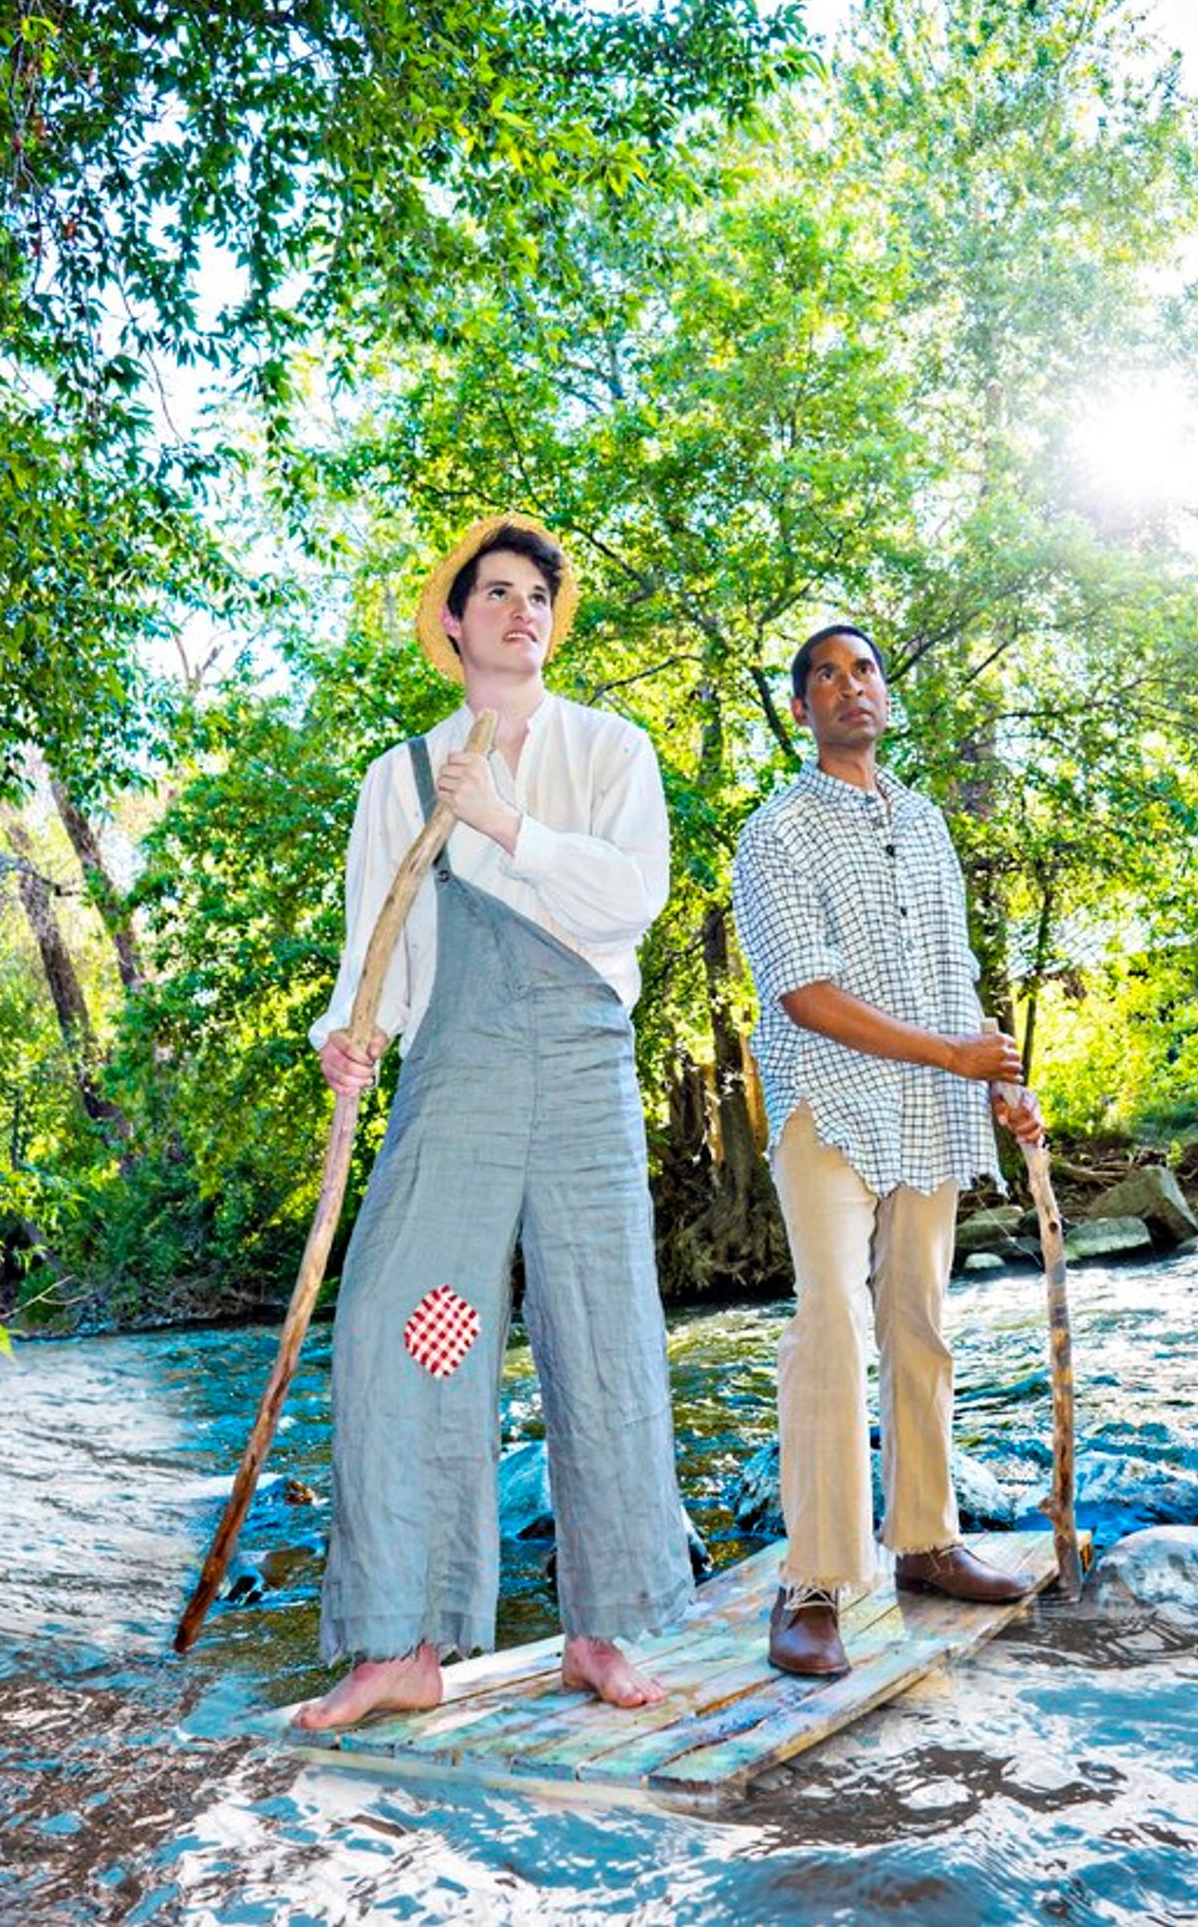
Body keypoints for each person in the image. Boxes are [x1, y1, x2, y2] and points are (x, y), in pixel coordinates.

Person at [297, 512, 692, 1729]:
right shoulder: (397, 777)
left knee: (598, 1327)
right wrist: (346, 1033)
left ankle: (600, 1628)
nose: (523, 611)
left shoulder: (610, 749)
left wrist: (507, 823)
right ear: (456, 622)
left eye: (539, 596)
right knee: (398, 1326)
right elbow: (382, 946)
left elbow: (630, 901)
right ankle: (400, 1640)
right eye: (498, 593)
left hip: (578, 1063)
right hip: (456, 1070)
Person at [730, 622, 1046, 1677]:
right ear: (799, 709)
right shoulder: (773, 832)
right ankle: (811, 1581)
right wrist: (951, 1056)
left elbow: (951, 974)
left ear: (883, 694)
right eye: (822, 676)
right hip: (827, 1101)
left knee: (919, 1325)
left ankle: (923, 1544)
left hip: (935, 1107)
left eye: (860, 669)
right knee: (831, 1319)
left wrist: (997, 1083)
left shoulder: (922, 821)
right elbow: (803, 994)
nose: (846, 687)